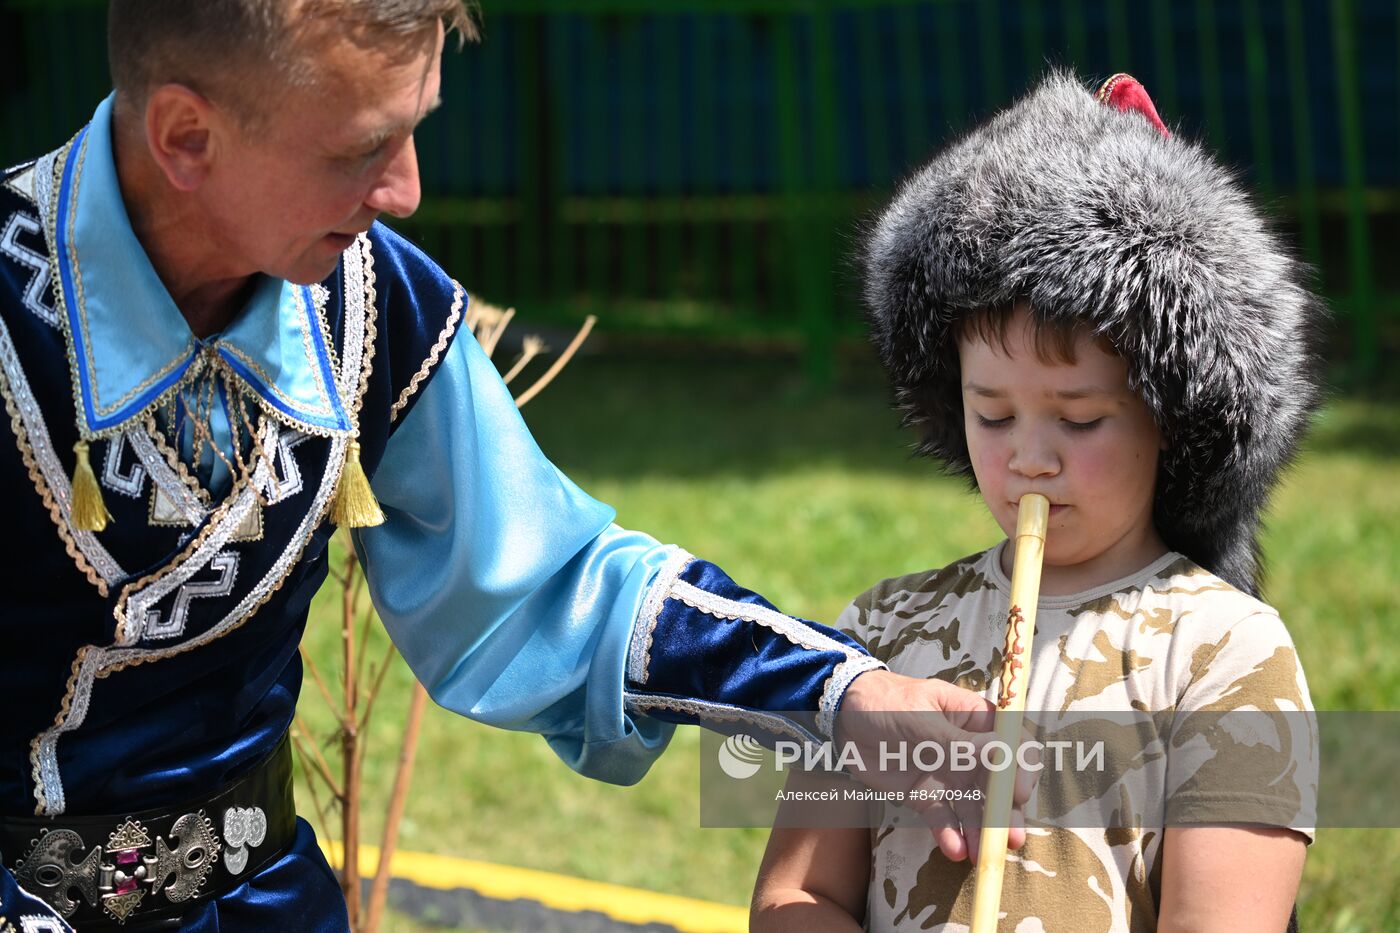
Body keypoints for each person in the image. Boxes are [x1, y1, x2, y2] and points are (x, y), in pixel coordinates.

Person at [0, 3, 1022, 930]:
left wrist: (844, 696)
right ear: (187, 136)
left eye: (416, 127)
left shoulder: (373, 306)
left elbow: (553, 588)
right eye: (363, 148)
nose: (406, 191)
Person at [750, 73, 1323, 932]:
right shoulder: (882, 633)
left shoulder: (1226, 652)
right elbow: (796, 896)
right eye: (992, 412)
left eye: (1080, 418)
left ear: (1170, 416)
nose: (1029, 458)